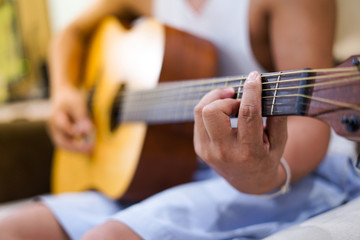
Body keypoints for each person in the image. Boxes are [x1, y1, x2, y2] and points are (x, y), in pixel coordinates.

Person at [1, 0, 359, 239]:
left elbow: (308, 123)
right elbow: (71, 34)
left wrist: (265, 173)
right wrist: (65, 91)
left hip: (283, 170)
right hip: (165, 168)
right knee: (11, 229)